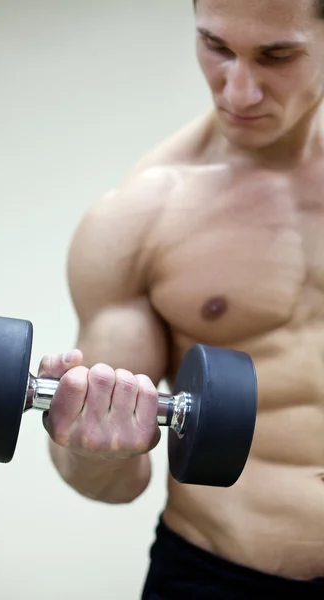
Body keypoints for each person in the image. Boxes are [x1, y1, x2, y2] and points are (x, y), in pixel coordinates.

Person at [40, 0, 324, 597]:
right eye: (216, 47)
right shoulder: (142, 220)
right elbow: (109, 482)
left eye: (278, 55)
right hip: (217, 578)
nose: (239, 91)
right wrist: (94, 448)